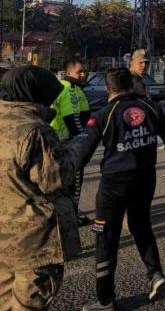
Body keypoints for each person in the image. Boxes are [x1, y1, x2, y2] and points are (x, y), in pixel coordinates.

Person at [80, 68, 165, 311]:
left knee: (106, 236)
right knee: (141, 225)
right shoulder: (151, 108)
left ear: (107, 89)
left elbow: (81, 153)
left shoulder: (105, 113)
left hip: (114, 182)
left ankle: (105, 300)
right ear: (132, 86)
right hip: (145, 177)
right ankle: (155, 274)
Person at [0, 66, 95, 310]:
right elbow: (55, 178)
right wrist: (80, 146)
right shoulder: (35, 130)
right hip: (32, 241)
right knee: (28, 302)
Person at [51, 58, 92, 226]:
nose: (83, 74)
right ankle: (72, 218)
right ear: (69, 73)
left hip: (57, 142)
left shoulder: (63, 86)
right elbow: (72, 119)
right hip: (67, 143)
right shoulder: (70, 90)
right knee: (74, 182)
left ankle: (63, 216)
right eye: (79, 71)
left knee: (61, 183)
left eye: (85, 71)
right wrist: (83, 142)